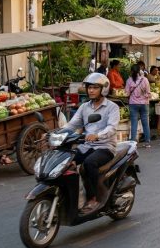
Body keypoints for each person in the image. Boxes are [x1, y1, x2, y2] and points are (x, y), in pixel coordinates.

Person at [62, 73, 120, 213]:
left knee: (89, 163)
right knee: (65, 160)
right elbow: (72, 124)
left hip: (105, 147)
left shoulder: (112, 107)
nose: (91, 90)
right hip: (86, 146)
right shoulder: (84, 107)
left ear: (103, 89)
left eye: (95, 87)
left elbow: (112, 128)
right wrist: (55, 134)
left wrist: (97, 135)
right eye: (89, 87)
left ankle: (94, 198)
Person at [125, 65, 151, 147]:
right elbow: (148, 93)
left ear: (131, 71)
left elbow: (127, 93)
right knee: (145, 123)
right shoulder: (145, 80)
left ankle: (133, 143)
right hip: (144, 104)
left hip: (133, 104)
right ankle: (147, 143)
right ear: (140, 71)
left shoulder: (129, 80)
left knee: (134, 123)